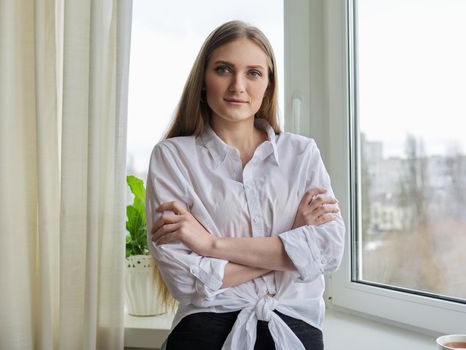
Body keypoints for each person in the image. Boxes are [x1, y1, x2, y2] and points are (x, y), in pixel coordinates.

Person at [145, 20, 345, 350]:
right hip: (205, 328)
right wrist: (291, 246)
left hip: (294, 326)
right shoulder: (172, 157)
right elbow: (184, 281)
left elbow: (327, 251)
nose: (238, 85)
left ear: (268, 85)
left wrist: (210, 246)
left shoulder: (302, 153)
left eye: (253, 73)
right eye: (224, 69)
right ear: (203, 81)